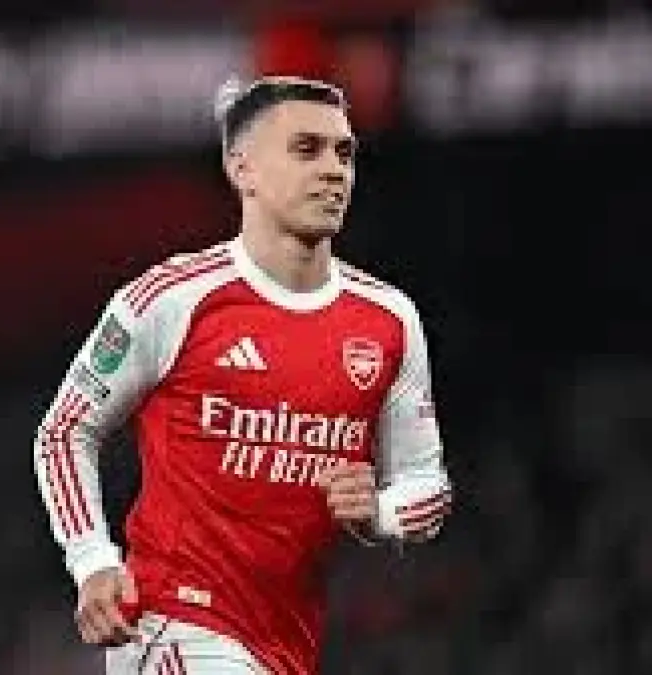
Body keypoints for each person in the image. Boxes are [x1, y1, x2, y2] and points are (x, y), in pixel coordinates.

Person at [33, 75, 452, 674]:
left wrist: (377, 512)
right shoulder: (170, 299)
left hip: (286, 641)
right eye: (306, 150)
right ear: (242, 169)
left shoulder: (388, 320)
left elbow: (427, 487)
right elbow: (63, 431)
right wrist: (93, 561)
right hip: (171, 621)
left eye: (344, 153)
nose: (333, 170)